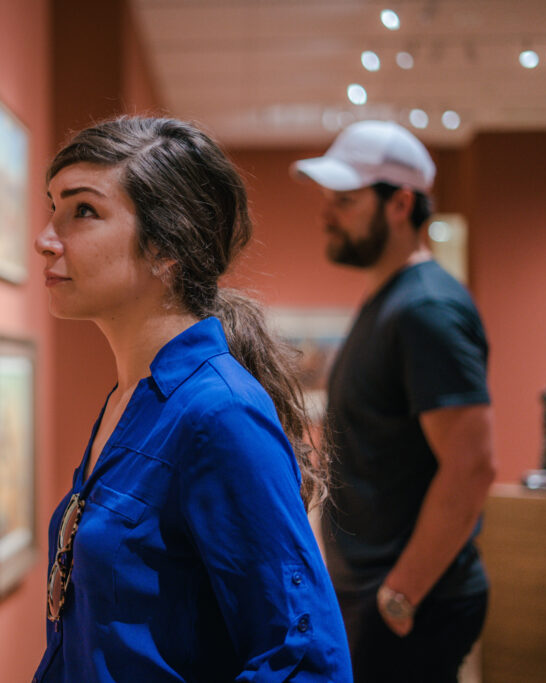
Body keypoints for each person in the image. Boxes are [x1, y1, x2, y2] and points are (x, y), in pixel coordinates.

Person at [31, 117, 351, 682]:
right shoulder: (131, 397)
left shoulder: (219, 414)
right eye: (51, 207)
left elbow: (304, 661)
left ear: (165, 246)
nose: (45, 237)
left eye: (82, 211)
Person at [290, 120, 496, 683]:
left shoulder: (426, 309)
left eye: (345, 201)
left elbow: (472, 465)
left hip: (408, 601)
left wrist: (399, 595)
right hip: (375, 592)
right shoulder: (389, 301)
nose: (325, 214)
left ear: (401, 203)